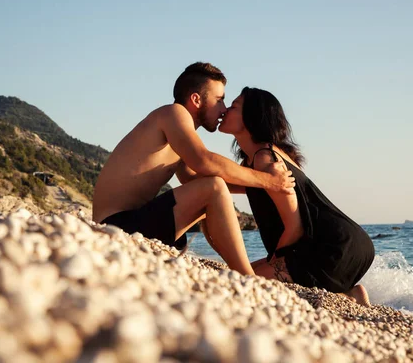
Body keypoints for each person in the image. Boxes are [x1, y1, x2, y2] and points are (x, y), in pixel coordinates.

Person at [93, 63, 295, 275]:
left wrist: (256, 187)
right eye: (219, 100)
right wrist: (267, 180)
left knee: (211, 186)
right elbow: (204, 161)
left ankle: (234, 268)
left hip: (131, 224)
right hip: (115, 226)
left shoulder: (179, 131)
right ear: (196, 99)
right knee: (214, 187)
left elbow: (193, 178)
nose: (224, 109)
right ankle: (247, 276)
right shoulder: (174, 113)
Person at [218, 87, 374, 305]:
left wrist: (274, 262)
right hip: (348, 244)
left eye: (233, 106)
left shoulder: (265, 158)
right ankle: (348, 295)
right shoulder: (261, 158)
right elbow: (221, 183)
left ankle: (345, 295)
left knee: (241, 282)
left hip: (332, 247)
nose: (225, 110)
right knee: (240, 274)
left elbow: (295, 227)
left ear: (252, 116)